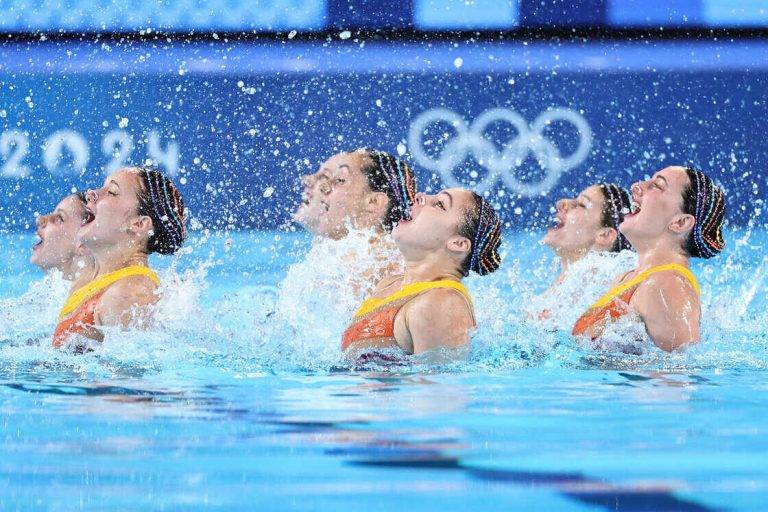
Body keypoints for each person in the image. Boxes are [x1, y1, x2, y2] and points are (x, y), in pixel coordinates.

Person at [572, 166, 726, 352]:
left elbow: (679, 374)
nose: (637, 186)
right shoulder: (628, 278)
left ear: (680, 222)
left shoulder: (667, 285)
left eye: (657, 186)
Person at [341, 188, 502, 359]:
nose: (420, 196)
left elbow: (438, 384)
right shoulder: (389, 284)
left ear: (458, 243)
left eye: (440, 204)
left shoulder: (441, 303)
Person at [275, 149, 418, 337]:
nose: (312, 183)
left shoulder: (379, 259)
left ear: (373, 202)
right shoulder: (346, 256)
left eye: (338, 179)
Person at [53, 166, 187, 348]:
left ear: (139, 224)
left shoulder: (129, 294)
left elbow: (132, 374)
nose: (91, 193)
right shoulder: (89, 279)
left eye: (112, 192)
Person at [532, 183, 635, 327]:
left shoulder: (597, 275)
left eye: (581, 204)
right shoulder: (571, 285)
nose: (562, 203)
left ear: (605, 235)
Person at [31, 192, 95, 290]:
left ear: (85, 246)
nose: (39, 219)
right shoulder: (60, 295)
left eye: (60, 218)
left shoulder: (101, 301)